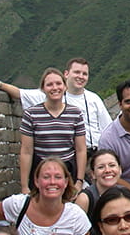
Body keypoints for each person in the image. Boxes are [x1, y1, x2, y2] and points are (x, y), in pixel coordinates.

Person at [0, 57, 112, 156]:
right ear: (66, 74)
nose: (81, 77)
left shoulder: (94, 99)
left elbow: (108, 129)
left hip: (95, 154)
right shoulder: (53, 94)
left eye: (85, 74)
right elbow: (20, 93)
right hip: (69, 155)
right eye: (77, 72)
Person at [19, 67, 86, 195]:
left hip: (68, 170)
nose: (55, 88)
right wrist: (24, 186)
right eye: (49, 84)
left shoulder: (75, 113)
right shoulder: (31, 114)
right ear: (43, 89)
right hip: (41, 170)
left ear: (65, 87)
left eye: (58, 83)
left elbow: (81, 149)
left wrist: (79, 181)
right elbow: (26, 151)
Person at [75, 149, 123, 235]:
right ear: (93, 174)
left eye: (112, 165)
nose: (107, 170)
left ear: (120, 170)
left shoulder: (124, 195)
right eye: (101, 167)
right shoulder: (85, 199)